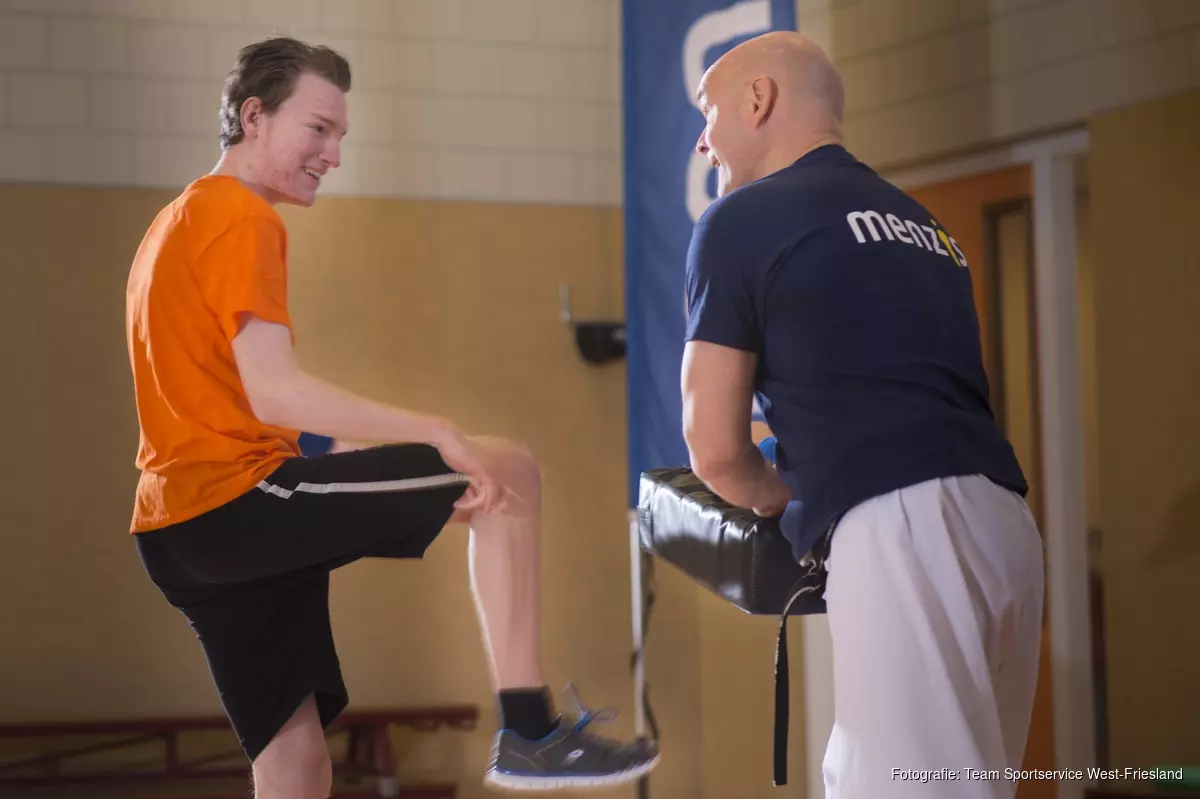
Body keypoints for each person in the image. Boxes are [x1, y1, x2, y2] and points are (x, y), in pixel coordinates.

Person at [125, 36, 658, 799]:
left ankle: (530, 734)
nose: (334, 154)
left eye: (341, 135)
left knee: (296, 765)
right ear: (254, 116)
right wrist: (434, 431)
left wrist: (336, 444)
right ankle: (530, 730)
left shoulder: (175, 220)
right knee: (504, 468)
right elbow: (274, 392)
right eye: (318, 129)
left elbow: (222, 395)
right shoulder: (242, 218)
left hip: (176, 528)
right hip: (236, 505)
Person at [680, 31, 1044, 799]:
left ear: (759, 99)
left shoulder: (740, 219)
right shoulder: (923, 224)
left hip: (906, 529)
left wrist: (776, 496)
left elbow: (711, 447)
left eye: (708, 114)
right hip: (1005, 526)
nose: (703, 142)